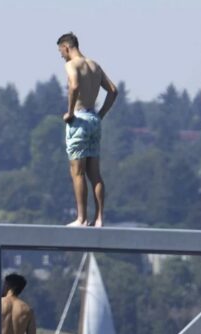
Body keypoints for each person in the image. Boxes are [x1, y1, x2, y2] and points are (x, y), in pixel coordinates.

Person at [57, 32, 117, 227]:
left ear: (66, 47)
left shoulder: (71, 65)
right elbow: (113, 91)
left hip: (80, 120)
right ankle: (99, 218)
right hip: (93, 120)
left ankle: (81, 219)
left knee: (78, 172)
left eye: (61, 52)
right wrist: (100, 114)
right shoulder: (94, 65)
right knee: (95, 174)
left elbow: (74, 86)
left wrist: (70, 113)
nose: (61, 56)